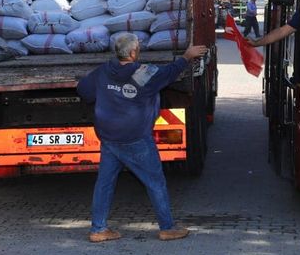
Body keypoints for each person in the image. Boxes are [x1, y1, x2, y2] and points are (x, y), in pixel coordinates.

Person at [77, 33, 207, 243]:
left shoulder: (103, 71)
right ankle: (167, 227)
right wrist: (186, 56)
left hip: (109, 138)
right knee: (155, 182)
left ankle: (98, 229)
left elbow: (84, 90)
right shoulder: (143, 73)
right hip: (135, 138)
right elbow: (170, 73)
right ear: (133, 52)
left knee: (104, 183)